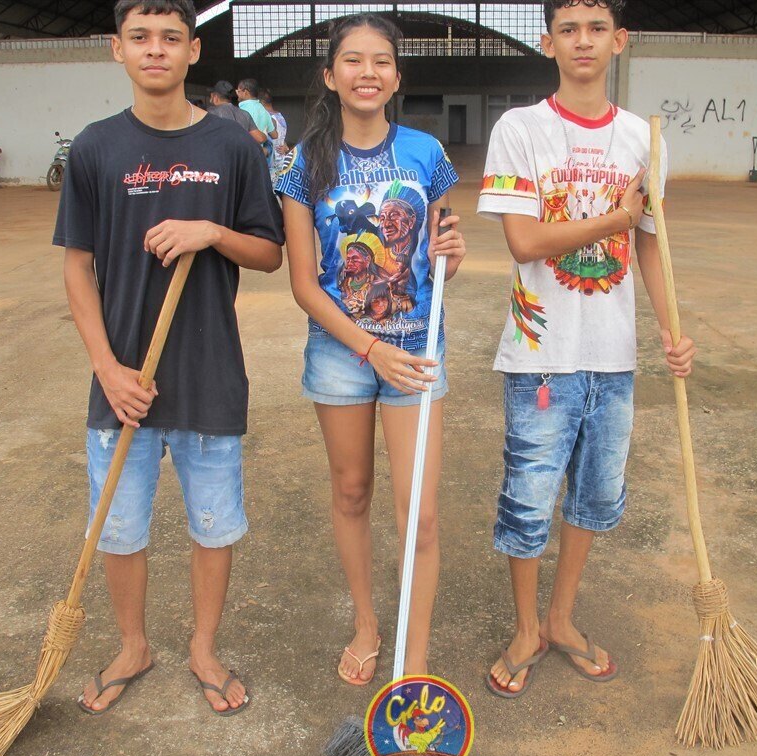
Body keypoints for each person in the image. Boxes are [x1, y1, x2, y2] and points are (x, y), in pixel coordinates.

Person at [56, 0, 283, 717]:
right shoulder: (94, 149)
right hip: (123, 382)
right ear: (116, 50)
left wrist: (211, 230)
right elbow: (76, 266)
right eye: (140, 38)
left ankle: (203, 647)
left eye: (171, 39)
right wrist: (105, 367)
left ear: (192, 52)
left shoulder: (234, 149)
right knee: (119, 527)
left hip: (208, 372)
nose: (156, 50)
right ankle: (133, 644)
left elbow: (271, 253)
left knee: (213, 523)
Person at [478, 0, 696, 697]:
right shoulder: (520, 130)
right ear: (549, 41)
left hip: (614, 355)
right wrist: (615, 216)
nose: (583, 41)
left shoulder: (644, 139)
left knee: (594, 497)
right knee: (528, 499)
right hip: (540, 353)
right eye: (569, 29)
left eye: (597, 28)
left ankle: (562, 618)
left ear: (620, 40)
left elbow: (651, 246)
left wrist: (670, 329)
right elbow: (525, 241)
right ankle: (524, 627)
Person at [276, 13, 465, 685]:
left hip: (415, 353)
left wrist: (454, 254)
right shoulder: (303, 164)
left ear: (396, 76)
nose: (367, 72)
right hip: (340, 355)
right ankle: (366, 621)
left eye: (380, 61)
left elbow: (438, 261)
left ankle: (414, 661)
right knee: (352, 491)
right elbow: (303, 282)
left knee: (422, 511)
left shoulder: (426, 154)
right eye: (352, 61)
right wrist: (366, 349)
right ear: (330, 76)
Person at [206, 80, 265, 147]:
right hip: (238, 155)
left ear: (215, 97)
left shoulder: (209, 113)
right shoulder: (245, 114)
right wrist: (265, 136)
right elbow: (260, 139)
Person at [235, 78, 277, 172]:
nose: (237, 94)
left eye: (238, 91)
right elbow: (274, 135)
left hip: (244, 159)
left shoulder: (240, 110)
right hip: (259, 158)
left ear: (245, 92)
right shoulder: (263, 110)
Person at [259, 88, 288, 176]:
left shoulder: (267, 117)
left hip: (271, 163)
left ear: (260, 102)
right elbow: (281, 138)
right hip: (282, 161)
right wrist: (286, 147)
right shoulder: (279, 115)